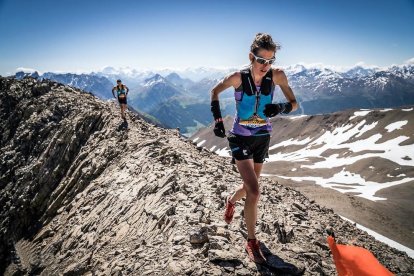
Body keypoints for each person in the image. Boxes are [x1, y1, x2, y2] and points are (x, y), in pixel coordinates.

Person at [210, 33, 298, 263]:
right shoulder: (237, 78)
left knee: (251, 188)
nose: (265, 66)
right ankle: (251, 241)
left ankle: (231, 200)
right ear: (251, 57)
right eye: (261, 60)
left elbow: (294, 103)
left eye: (271, 61)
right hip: (240, 137)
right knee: (255, 191)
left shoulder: (277, 76)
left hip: (262, 137)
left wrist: (280, 108)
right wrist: (218, 120)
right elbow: (214, 92)